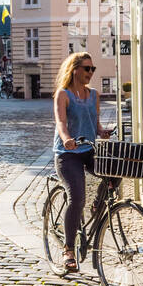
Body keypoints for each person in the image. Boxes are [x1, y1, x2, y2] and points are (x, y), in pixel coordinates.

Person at [52, 52, 113, 272]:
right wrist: (67, 138)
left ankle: (98, 204)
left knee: (115, 172)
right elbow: (60, 122)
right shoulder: (63, 94)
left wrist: (102, 131)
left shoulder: (93, 95)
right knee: (77, 197)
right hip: (67, 154)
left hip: (89, 150)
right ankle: (68, 250)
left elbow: (94, 124)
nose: (90, 73)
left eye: (92, 69)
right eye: (87, 68)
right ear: (75, 69)